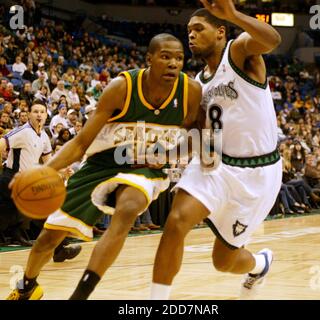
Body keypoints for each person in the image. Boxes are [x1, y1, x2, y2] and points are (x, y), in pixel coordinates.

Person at [7, 33, 202, 300]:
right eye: (165, 56)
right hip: (100, 164)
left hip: (146, 168)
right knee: (48, 240)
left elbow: (197, 135)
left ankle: (79, 295)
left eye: (179, 58)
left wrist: (172, 155)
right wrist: (44, 170)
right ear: (149, 59)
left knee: (129, 206)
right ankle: (28, 286)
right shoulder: (121, 87)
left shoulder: (190, 91)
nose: (173, 64)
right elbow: (81, 143)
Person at [150, 0, 283, 300]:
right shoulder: (197, 85)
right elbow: (199, 137)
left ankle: (259, 264)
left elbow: (273, 40)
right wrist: (161, 154)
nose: (191, 35)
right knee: (176, 221)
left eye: (199, 28)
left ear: (221, 32)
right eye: (188, 31)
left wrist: (234, 14)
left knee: (223, 262)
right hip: (216, 166)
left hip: (259, 174)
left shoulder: (238, 53)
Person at [0, 100, 81, 256]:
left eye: (42, 112)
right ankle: (59, 249)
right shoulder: (22, 131)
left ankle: (58, 249)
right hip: (11, 179)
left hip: (27, 181)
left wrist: (62, 171)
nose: (39, 115)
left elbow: (49, 161)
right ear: (29, 114)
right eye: (35, 111)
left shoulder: (43, 136)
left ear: (46, 115)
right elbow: (2, 142)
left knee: (22, 213)